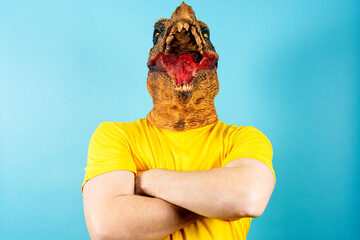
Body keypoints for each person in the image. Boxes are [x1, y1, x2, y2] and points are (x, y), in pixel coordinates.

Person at [82, 2, 275, 240]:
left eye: (193, 57)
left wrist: (148, 180)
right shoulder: (115, 136)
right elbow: (108, 228)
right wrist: (217, 200)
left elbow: (248, 197)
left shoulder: (244, 139)